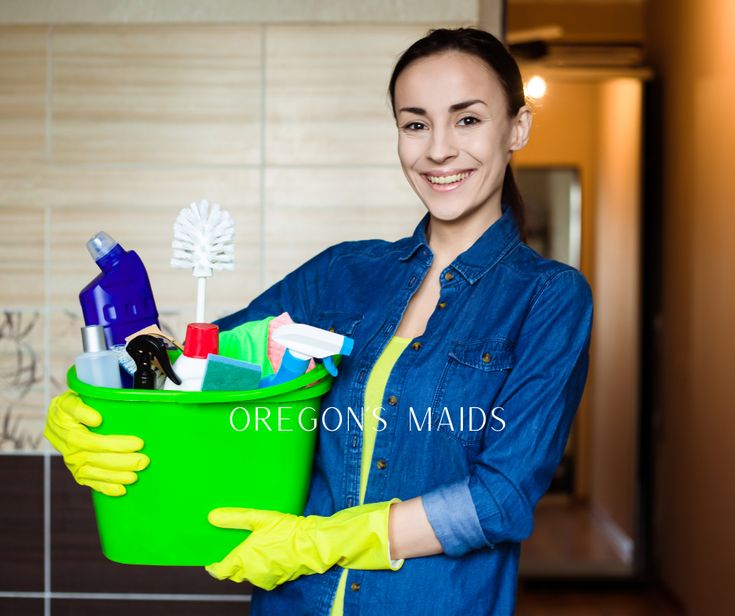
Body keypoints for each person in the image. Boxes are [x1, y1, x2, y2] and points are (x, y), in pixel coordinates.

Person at [45, 27, 593, 616]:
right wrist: (91, 406)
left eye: (467, 120)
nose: (438, 149)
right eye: (415, 123)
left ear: (517, 128)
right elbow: (191, 376)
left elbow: (501, 498)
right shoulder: (339, 276)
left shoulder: (549, 299)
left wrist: (323, 541)